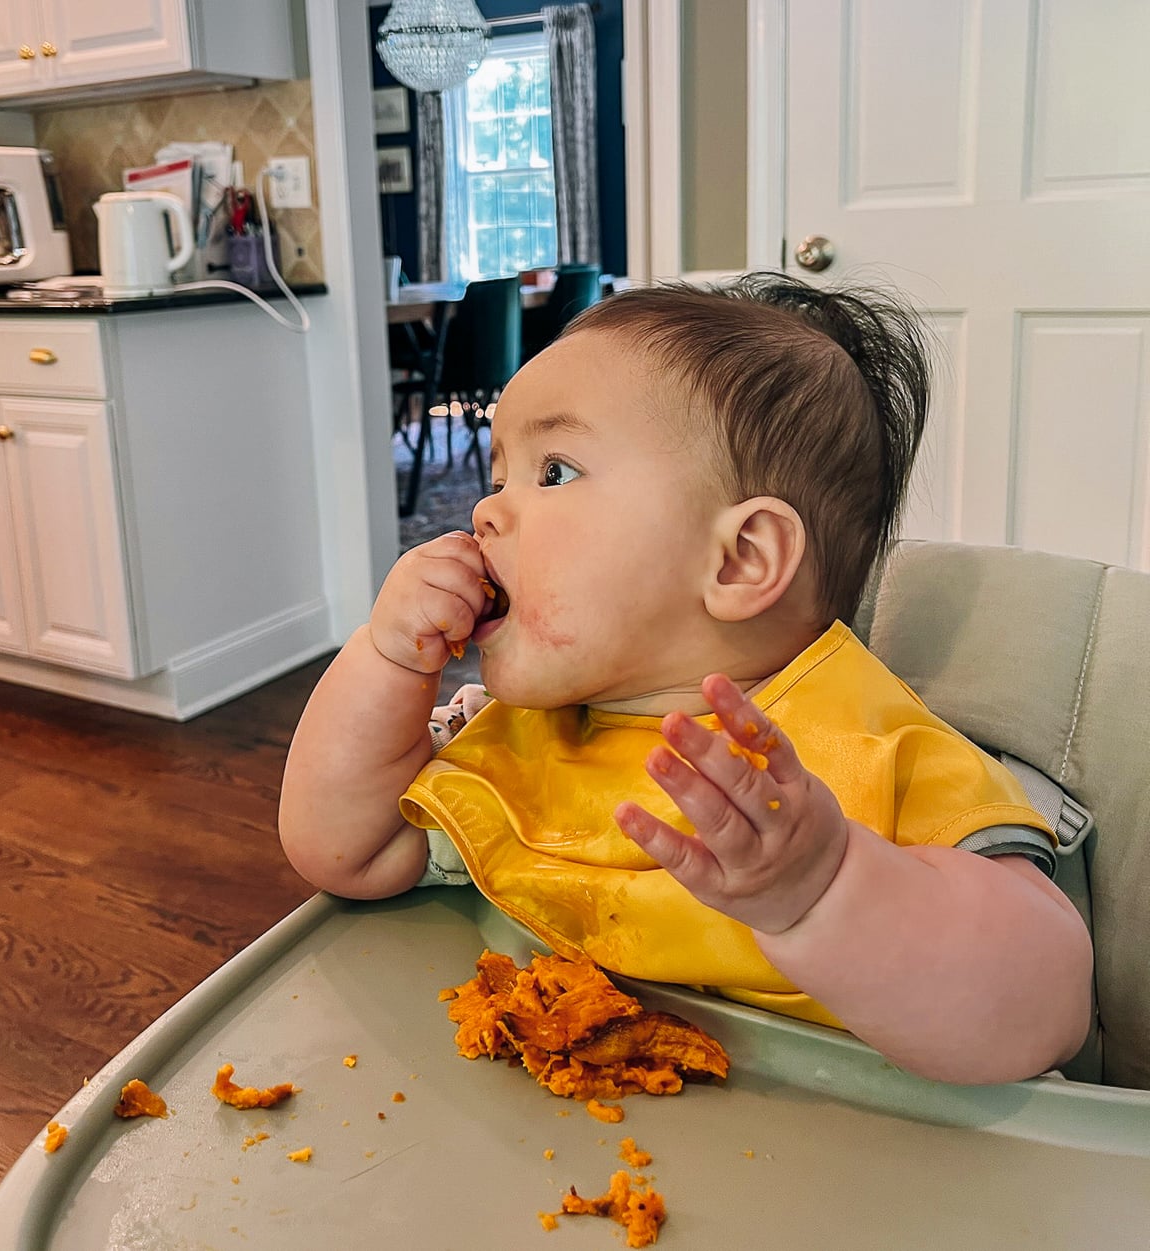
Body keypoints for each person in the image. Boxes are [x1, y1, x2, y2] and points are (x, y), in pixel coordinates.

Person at [279, 273, 1092, 1085]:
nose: (485, 511)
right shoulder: (517, 742)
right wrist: (385, 659)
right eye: (498, 477)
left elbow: (1048, 1009)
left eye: (553, 471)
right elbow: (344, 850)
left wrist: (827, 887)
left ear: (740, 559)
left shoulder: (876, 751)